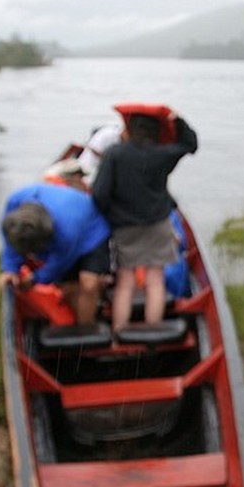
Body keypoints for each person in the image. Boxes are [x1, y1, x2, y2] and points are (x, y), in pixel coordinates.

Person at [92, 111, 197, 331]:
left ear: (130, 130)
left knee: (125, 282)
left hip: (124, 228)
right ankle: (154, 330)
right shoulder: (162, 154)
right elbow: (190, 144)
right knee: (155, 280)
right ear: (157, 132)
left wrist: (111, 216)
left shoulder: (113, 154)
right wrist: (177, 119)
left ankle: (119, 331)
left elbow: (100, 194)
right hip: (158, 225)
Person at [0, 183, 111, 325]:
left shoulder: (66, 231)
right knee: (69, 288)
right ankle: (79, 320)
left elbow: (59, 263)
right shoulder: (14, 203)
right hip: (67, 229)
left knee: (88, 284)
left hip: (93, 231)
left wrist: (34, 279)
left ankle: (86, 332)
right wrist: (9, 269)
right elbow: (10, 239)